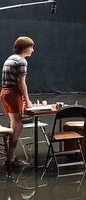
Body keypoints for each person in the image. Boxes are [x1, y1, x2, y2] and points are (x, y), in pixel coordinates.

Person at [0, 36, 34, 167]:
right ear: (24, 48)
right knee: (18, 125)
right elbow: (22, 83)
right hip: (13, 93)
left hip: (4, 93)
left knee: (14, 124)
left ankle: (10, 157)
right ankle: (11, 158)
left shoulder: (10, 58)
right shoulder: (21, 61)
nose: (32, 50)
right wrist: (27, 100)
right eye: (31, 47)